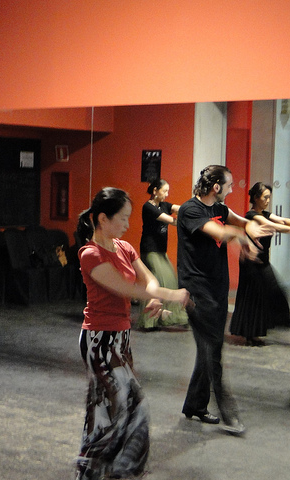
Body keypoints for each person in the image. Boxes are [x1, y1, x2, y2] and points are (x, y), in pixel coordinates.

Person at [74, 187, 189, 480]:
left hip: (121, 338)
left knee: (107, 407)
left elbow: (147, 279)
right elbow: (124, 287)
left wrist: (154, 295)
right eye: (122, 218)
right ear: (103, 219)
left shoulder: (124, 247)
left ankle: (98, 471)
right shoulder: (90, 254)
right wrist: (172, 295)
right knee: (130, 406)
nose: (127, 224)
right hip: (99, 341)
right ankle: (116, 471)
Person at [177, 165, 273, 436]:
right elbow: (220, 233)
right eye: (229, 185)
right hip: (196, 290)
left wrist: (259, 226)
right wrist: (243, 238)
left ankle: (195, 404)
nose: (232, 189)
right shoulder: (190, 210)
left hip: (217, 288)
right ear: (216, 186)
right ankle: (228, 412)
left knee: (208, 348)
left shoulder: (219, 209)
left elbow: (240, 221)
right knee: (214, 350)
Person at [230, 182, 290, 346]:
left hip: (263, 261)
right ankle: (250, 334)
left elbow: (281, 220)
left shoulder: (266, 214)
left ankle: (257, 331)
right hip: (251, 262)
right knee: (252, 297)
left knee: (270, 292)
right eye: (265, 197)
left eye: (269, 197)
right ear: (256, 198)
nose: (268, 200)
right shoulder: (251, 215)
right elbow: (269, 225)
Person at [136, 178, 188, 329]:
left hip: (161, 251)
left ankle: (164, 317)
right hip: (150, 250)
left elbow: (180, 209)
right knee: (157, 283)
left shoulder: (165, 205)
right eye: (164, 191)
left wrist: (195, 211)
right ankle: (148, 322)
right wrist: (189, 223)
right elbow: (170, 220)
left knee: (170, 281)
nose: (167, 194)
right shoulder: (148, 207)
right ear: (155, 191)